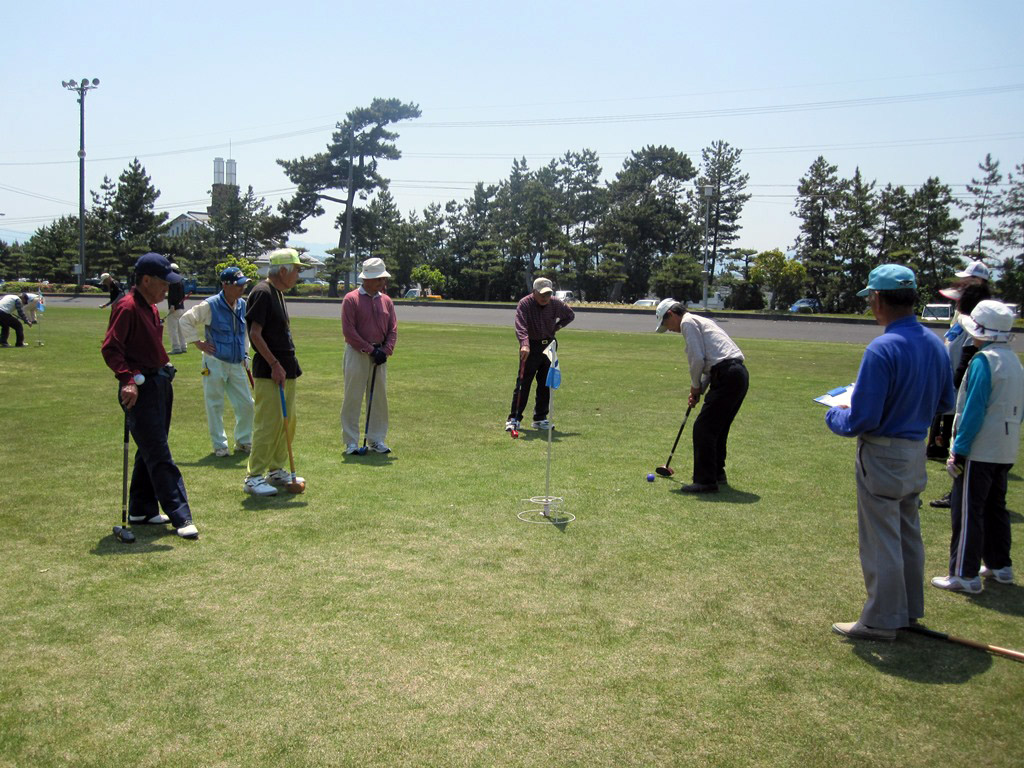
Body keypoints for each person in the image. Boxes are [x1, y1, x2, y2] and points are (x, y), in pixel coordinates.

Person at [825, 264, 955, 641]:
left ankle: (882, 619)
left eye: (869, 297)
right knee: (907, 532)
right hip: (915, 451)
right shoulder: (935, 342)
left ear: (878, 298)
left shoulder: (883, 347)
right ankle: (908, 611)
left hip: (883, 453)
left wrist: (835, 415)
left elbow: (861, 419)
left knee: (881, 536)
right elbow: (946, 401)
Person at [100, 252, 199, 539]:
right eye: (163, 283)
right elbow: (111, 348)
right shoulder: (127, 307)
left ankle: (142, 509)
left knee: (150, 449)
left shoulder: (152, 308)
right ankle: (181, 515)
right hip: (138, 388)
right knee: (158, 452)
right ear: (145, 280)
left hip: (158, 382)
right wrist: (127, 379)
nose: (167, 288)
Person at [931, 300, 1023, 593]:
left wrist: (959, 448)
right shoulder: (1014, 361)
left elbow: (973, 410)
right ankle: (1000, 565)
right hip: (1005, 446)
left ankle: (964, 573)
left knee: (968, 509)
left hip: (980, 448)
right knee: (996, 506)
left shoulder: (984, 361)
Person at [654, 299, 748, 493]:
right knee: (718, 428)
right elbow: (711, 364)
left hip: (727, 375)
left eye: (665, 324)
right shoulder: (699, 320)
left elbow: (697, 359)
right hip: (737, 375)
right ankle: (717, 474)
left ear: (671, 314)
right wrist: (699, 390)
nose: (669, 329)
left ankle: (706, 481)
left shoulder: (687, 322)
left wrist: (695, 387)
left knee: (703, 428)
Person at [243, 248, 304, 496]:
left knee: (287, 422)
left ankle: (276, 469)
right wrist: (274, 364)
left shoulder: (278, 293)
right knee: (268, 423)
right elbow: (255, 334)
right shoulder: (263, 292)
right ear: (282, 271)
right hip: (271, 370)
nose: (298, 275)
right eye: (297, 270)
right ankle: (253, 476)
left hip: (286, 368)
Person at [179, 266, 255, 458]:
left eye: (243, 285)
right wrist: (197, 343)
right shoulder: (210, 304)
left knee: (247, 404)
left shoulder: (242, 305)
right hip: (214, 362)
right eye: (238, 285)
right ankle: (220, 445)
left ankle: (244, 441)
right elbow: (186, 320)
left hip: (237, 361)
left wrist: (246, 354)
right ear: (225, 285)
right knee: (215, 404)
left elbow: (244, 333)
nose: (242, 288)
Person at [928, 282, 991, 501]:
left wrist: (950, 388)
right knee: (949, 440)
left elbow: (965, 362)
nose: (954, 303)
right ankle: (957, 491)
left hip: (958, 393)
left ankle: (959, 492)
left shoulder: (974, 330)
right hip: (950, 391)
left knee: (960, 441)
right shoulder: (960, 325)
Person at [341, 257, 398, 454]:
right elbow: (349, 332)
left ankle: (376, 439)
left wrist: (385, 350)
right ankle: (350, 442)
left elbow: (393, 329)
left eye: (383, 278)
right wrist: (370, 350)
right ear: (367, 279)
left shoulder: (386, 301)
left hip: (380, 355)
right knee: (353, 397)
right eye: (379, 279)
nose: (383, 282)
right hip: (357, 354)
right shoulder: (351, 299)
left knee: (379, 398)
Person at [505, 277, 575, 434]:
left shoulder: (555, 303)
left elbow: (570, 315)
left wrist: (557, 327)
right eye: (542, 294)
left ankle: (540, 418)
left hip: (549, 346)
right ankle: (514, 419)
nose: (545, 298)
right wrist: (524, 343)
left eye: (548, 294)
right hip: (530, 346)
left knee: (546, 383)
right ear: (534, 292)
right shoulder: (525, 303)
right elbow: (520, 324)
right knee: (523, 383)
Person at [166, 263, 187, 354]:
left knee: (172, 329)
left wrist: (172, 305)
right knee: (180, 329)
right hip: (181, 307)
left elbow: (173, 295)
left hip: (174, 308)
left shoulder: (173, 281)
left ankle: (176, 347)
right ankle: (183, 346)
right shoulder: (181, 281)